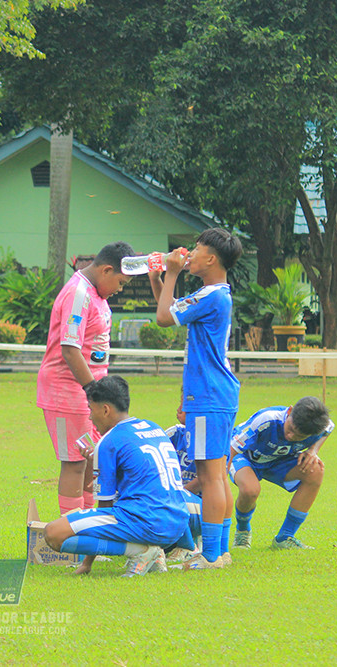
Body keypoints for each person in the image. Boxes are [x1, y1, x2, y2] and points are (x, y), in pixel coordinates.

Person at [149, 227, 243, 570]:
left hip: (210, 394)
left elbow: (162, 318)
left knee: (210, 476)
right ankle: (220, 551)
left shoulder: (211, 295)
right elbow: (171, 308)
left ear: (211, 258)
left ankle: (212, 554)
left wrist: (172, 272)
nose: (190, 254)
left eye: (198, 249)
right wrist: (158, 278)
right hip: (211, 394)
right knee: (216, 472)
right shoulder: (214, 295)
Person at [42, 376, 191, 577]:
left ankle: (142, 552)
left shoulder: (108, 441)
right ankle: (155, 551)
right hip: (179, 522)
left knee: (53, 533)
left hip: (149, 521)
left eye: (91, 410)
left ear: (105, 410)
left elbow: (104, 509)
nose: (90, 418)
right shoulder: (153, 427)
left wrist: (87, 563)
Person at [37, 242, 134, 518]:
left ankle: (88, 525)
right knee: (75, 463)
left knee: (92, 459)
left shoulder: (96, 295)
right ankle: (71, 535)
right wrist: (94, 392)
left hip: (90, 393)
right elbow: (70, 348)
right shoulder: (79, 293)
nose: (120, 289)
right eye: (120, 282)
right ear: (106, 270)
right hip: (67, 391)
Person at [230, 397, 333, 549]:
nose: (291, 436)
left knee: (315, 470)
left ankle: (285, 537)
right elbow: (232, 449)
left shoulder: (318, 425)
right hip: (245, 457)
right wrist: (216, 481)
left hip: (278, 460)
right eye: (290, 429)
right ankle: (243, 530)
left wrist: (313, 450)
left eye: (299, 437)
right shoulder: (267, 419)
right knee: (250, 490)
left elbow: (329, 427)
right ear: (289, 411)